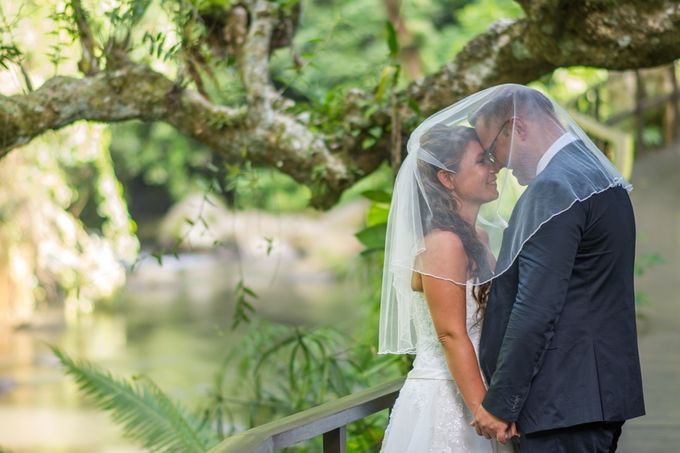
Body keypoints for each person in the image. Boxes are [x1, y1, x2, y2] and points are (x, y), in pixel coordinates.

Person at [469, 84, 645, 452]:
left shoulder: (555, 187)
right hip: (590, 395)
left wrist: (501, 403)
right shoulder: (597, 175)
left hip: (560, 403)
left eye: (492, 150)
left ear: (517, 128)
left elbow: (536, 308)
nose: (496, 164)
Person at [378, 122, 514, 452]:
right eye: (482, 161)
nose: (493, 167)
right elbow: (451, 334)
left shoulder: (478, 239)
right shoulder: (443, 244)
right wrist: (484, 409)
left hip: (477, 389)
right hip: (447, 400)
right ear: (447, 178)